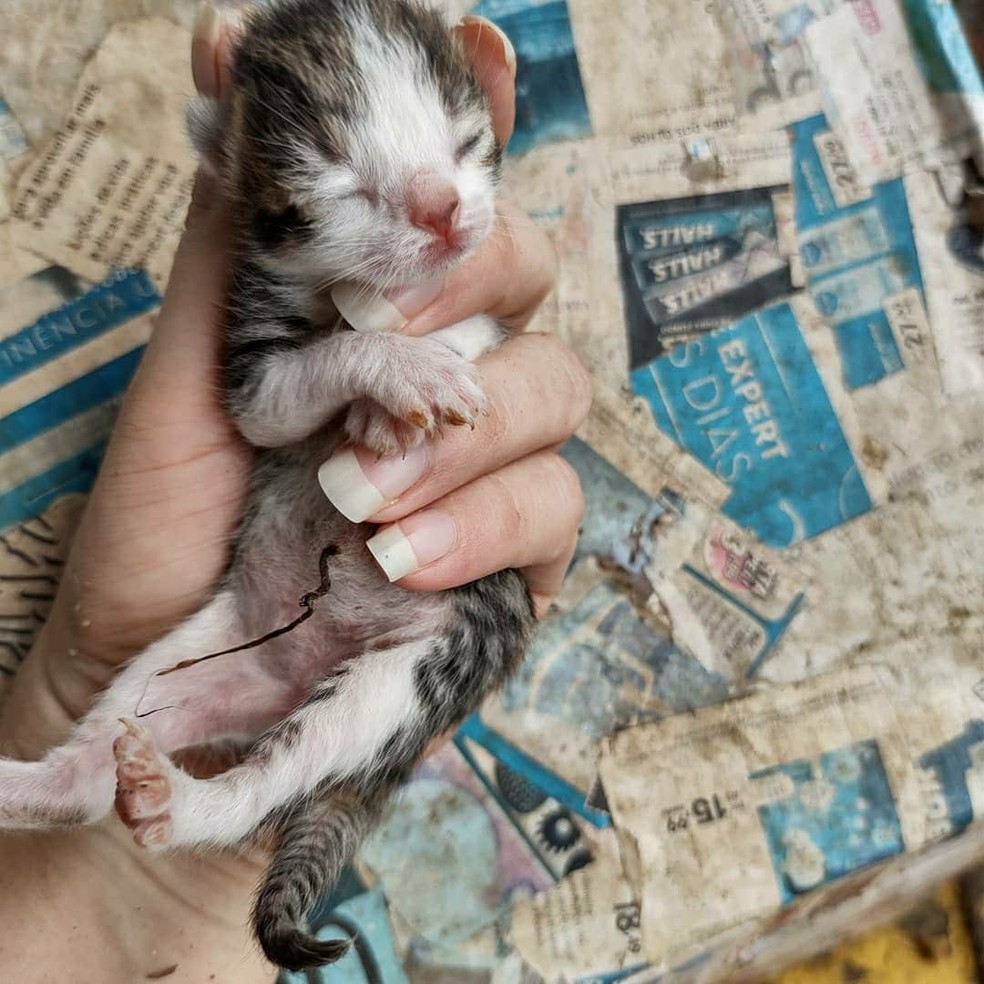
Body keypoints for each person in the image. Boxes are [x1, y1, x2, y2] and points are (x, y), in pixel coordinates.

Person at [0, 6, 590, 980]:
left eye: (460, 145)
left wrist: (403, 380)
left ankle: (219, 811)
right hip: (259, 601)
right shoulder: (278, 282)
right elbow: (265, 408)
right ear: (236, 176)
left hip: (428, 610)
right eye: (351, 189)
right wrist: (360, 364)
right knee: (175, 667)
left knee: (385, 700)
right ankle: (65, 780)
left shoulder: (449, 278)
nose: (445, 206)